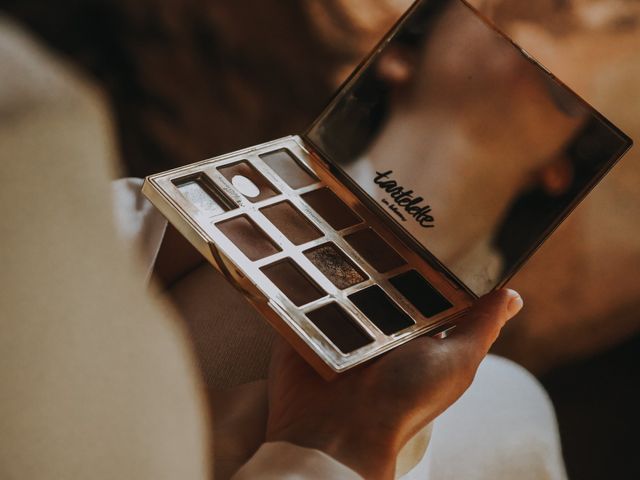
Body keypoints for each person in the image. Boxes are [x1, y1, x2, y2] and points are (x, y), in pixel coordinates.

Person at [1, 12, 568, 480]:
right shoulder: (39, 130)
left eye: (623, 21)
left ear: (563, 168)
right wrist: (335, 447)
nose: (582, 12)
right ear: (395, 58)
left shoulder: (506, 421)